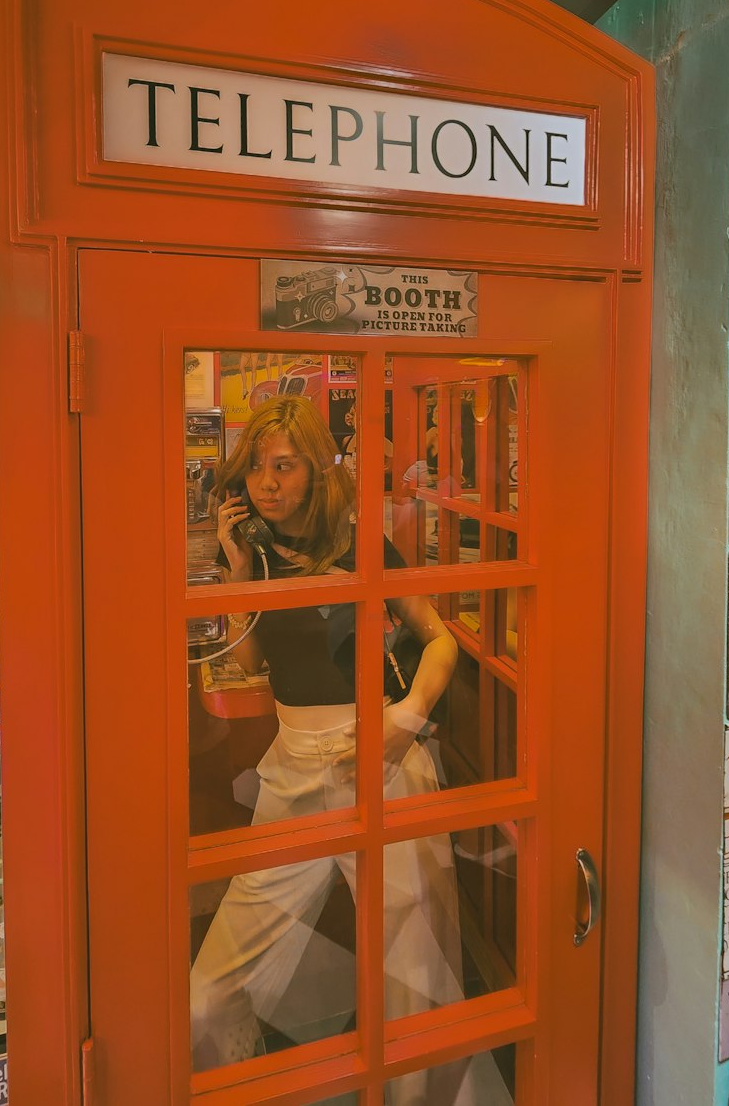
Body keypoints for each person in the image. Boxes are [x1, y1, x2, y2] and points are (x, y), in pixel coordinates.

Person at [190, 396, 473, 1104]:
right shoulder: (253, 552)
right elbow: (252, 656)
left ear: (316, 470)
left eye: (282, 465)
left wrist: (407, 716)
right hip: (292, 765)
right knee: (210, 988)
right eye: (255, 467)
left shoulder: (363, 543)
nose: (266, 483)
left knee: (416, 981)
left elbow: (438, 638)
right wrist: (233, 572)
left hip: (379, 758)